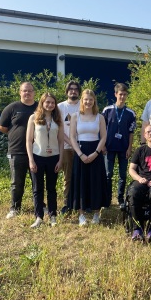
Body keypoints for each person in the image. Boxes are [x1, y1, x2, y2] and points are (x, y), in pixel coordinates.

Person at [67, 89, 108, 226]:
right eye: (85, 99)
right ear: (82, 101)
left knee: (96, 181)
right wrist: (80, 154)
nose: (88, 102)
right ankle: (81, 215)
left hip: (95, 152)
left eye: (90, 99)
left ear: (94, 101)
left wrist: (96, 153)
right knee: (80, 182)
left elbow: (103, 137)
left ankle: (97, 213)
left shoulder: (100, 117)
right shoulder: (75, 116)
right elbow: (72, 137)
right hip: (80, 152)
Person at [0, 82, 38, 219]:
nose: (27, 93)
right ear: (20, 92)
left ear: (34, 92)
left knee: (37, 182)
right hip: (17, 151)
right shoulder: (12, 108)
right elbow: (1, 127)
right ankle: (15, 208)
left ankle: (40, 207)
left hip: (37, 151)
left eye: (30, 91)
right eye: (24, 91)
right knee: (16, 182)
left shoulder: (40, 107)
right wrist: (14, 134)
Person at [26, 93, 64, 228]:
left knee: (52, 188)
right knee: (37, 188)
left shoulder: (58, 119)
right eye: (47, 102)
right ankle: (39, 217)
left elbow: (60, 142)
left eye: (52, 103)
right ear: (42, 103)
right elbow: (29, 141)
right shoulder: (33, 118)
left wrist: (60, 160)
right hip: (37, 157)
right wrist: (31, 160)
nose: (50, 105)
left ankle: (53, 215)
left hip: (53, 157)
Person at [102, 83, 137, 207]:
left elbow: (131, 132)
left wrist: (129, 148)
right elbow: (102, 129)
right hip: (109, 147)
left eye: (125, 94)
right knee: (108, 174)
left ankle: (120, 199)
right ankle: (107, 200)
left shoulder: (131, 113)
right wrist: (103, 146)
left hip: (123, 148)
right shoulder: (107, 110)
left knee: (123, 175)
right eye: (120, 94)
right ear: (115, 94)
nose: (122, 97)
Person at [57, 81, 81, 213]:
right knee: (68, 176)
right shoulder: (60, 107)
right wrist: (71, 143)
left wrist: (77, 145)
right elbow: (59, 128)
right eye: (71, 89)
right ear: (67, 91)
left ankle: (81, 203)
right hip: (65, 147)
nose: (73, 91)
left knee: (81, 175)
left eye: (76, 89)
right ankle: (67, 204)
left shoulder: (83, 105)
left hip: (82, 147)